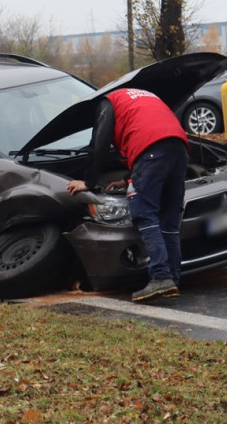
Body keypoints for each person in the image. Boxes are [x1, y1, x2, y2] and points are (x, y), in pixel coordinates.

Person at [66, 87, 189, 303]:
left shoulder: (106, 103)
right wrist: (127, 179)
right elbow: (151, 130)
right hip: (179, 147)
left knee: (144, 213)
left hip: (151, 150)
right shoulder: (140, 97)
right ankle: (172, 278)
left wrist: (88, 182)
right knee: (169, 219)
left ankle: (160, 277)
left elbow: (100, 143)